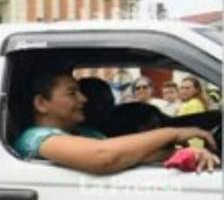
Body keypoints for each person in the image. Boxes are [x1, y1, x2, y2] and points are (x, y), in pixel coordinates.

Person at [12, 66, 218, 175]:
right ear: (41, 103)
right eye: (72, 93)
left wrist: (184, 153)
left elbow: (134, 156)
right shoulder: (35, 138)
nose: (84, 99)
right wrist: (174, 132)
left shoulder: (86, 133)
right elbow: (104, 157)